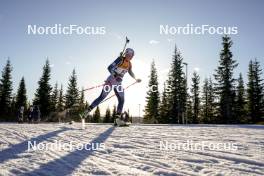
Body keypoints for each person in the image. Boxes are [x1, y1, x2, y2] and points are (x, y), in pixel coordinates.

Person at [80, 48, 141, 124]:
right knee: (101, 97)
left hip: (118, 84)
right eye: (130, 55)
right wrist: (116, 75)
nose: (131, 57)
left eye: (132, 56)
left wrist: (136, 78)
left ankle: (117, 120)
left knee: (122, 99)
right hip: (111, 81)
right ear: (126, 54)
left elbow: (130, 72)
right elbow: (109, 68)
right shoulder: (120, 59)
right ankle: (85, 113)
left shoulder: (129, 64)